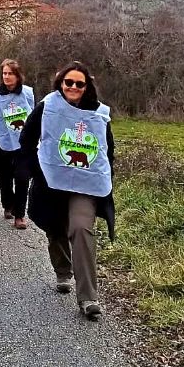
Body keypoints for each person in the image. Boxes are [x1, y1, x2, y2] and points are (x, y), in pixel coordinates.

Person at [19, 62, 115, 320]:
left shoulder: (98, 114)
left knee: (81, 228)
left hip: (85, 185)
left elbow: (107, 151)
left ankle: (88, 297)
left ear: (87, 86)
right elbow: (26, 140)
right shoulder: (47, 107)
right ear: (60, 83)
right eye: (68, 82)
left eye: (79, 84)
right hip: (52, 182)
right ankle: (63, 270)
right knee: (56, 227)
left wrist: (104, 179)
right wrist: (39, 171)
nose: (73, 87)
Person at [0, 59, 34, 229]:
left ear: (18, 75)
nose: (6, 76)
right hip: (3, 142)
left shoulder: (27, 93)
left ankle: (19, 215)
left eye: (10, 73)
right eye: (4, 73)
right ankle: (8, 205)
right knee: (5, 178)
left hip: (24, 144)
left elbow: (32, 117)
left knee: (22, 178)